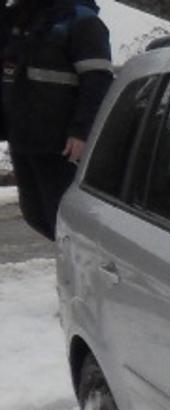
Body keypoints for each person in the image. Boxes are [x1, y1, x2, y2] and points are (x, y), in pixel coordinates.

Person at [1, 0, 110, 241]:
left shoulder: (81, 21)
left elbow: (97, 82)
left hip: (61, 144)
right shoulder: (19, 19)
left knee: (64, 220)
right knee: (35, 215)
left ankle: (81, 270)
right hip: (22, 137)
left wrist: (82, 132)